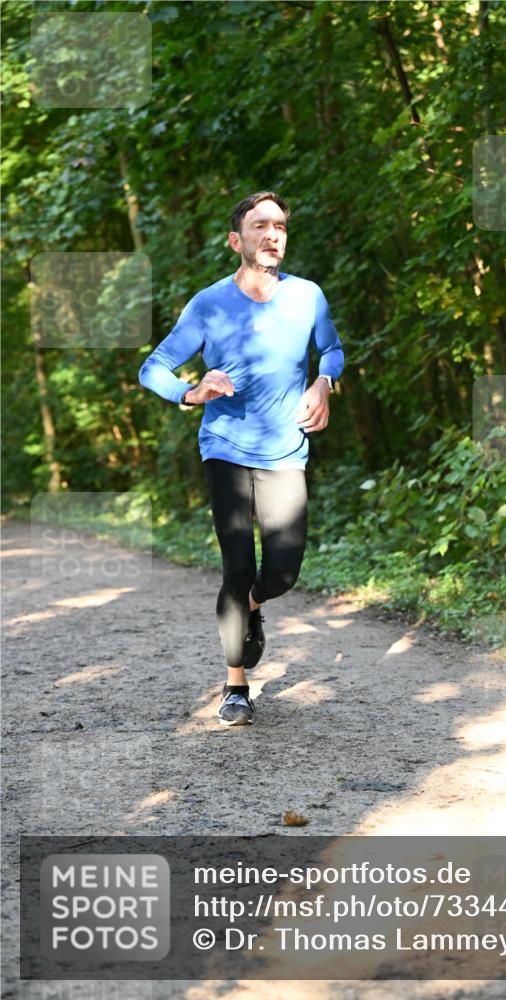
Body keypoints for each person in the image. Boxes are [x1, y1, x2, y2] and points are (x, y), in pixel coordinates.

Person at [138, 191, 344, 727]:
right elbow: (153, 368)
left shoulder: (307, 297)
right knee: (237, 566)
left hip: (286, 451)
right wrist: (192, 390)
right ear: (238, 240)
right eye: (260, 226)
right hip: (225, 450)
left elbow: (333, 348)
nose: (272, 233)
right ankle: (236, 687)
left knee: (282, 572)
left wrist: (324, 382)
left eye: (279, 225)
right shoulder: (209, 304)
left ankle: (252, 607)